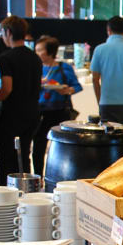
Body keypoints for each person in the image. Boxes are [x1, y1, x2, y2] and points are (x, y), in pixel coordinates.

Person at [0, 15, 42, 183]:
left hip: (12, 114)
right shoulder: (35, 58)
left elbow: (7, 88)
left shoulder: (6, 58)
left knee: (6, 157)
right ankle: (25, 190)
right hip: (33, 113)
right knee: (24, 155)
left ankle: (5, 192)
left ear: (8, 32)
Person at [33, 36, 83, 174]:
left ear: (50, 52)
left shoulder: (64, 67)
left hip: (60, 110)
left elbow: (77, 86)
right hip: (41, 111)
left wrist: (67, 90)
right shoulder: (36, 67)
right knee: (38, 146)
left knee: (61, 146)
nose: (37, 53)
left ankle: (61, 175)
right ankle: (38, 176)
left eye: (39, 50)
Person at [90, 16, 123, 128]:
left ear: (108, 30)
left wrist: (100, 101)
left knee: (108, 135)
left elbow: (95, 79)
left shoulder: (99, 49)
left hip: (107, 102)